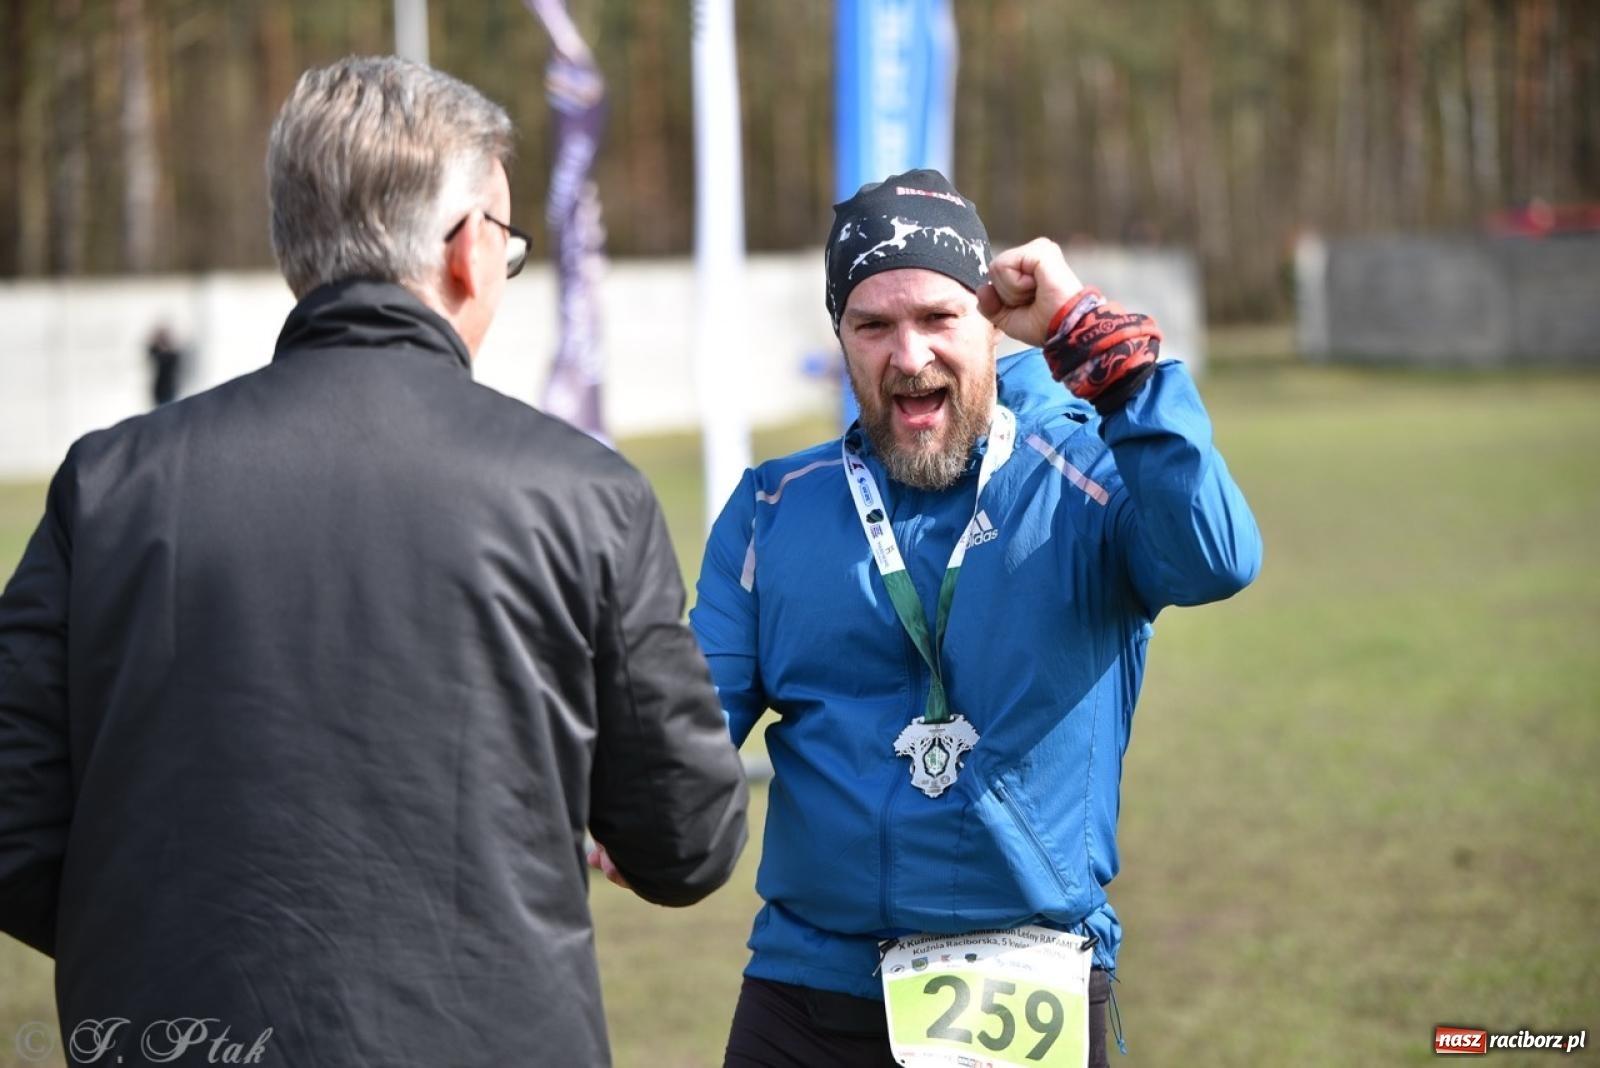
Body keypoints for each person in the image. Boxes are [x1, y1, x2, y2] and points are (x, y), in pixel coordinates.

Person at [0, 56, 746, 1066]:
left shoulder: (111, 484)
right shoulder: (581, 494)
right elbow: (686, 838)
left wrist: (169, 956)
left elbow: (18, 823)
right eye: (510, 246)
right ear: (468, 250)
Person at [689, 169, 1262, 1067]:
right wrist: (613, 792)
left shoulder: (1086, 478)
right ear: (840, 338)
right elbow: (688, 721)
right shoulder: (773, 507)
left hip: (1022, 986)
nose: (907, 356)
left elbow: (1216, 554)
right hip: (806, 993)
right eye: (872, 325)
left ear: (992, 323)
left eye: (937, 318)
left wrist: (1097, 345)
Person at [145, 323, 182, 406]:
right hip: (159, 388)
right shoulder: (156, 351)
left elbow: (173, 362)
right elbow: (151, 354)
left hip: (169, 388)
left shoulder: (173, 354)